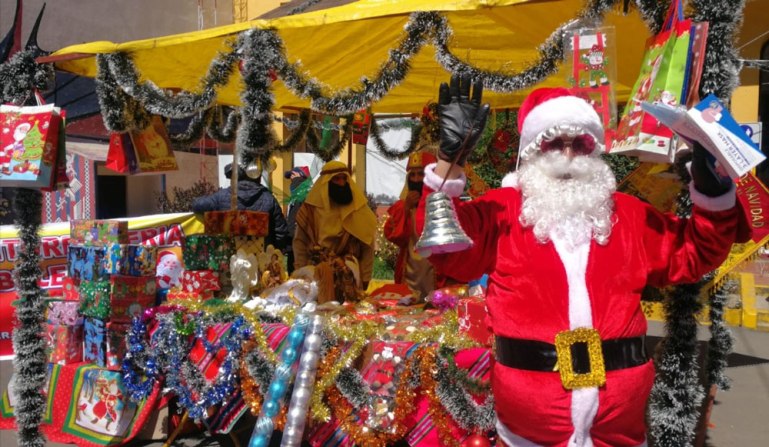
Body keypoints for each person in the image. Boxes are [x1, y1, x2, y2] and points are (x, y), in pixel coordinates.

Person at [417, 75, 749, 447]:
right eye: (555, 142)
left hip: (617, 426)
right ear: (532, 151)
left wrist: (711, 192)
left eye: (580, 143)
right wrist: (449, 162)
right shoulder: (504, 210)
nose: (569, 154)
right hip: (531, 426)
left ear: (594, 150)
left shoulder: (627, 214)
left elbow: (696, 252)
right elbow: (444, 247)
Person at [293, 160, 377, 298]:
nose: (341, 183)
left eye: (344, 178)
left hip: (348, 276)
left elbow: (367, 245)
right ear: (326, 182)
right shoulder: (310, 210)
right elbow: (300, 243)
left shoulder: (359, 210)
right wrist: (300, 273)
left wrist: (365, 277)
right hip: (316, 275)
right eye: (336, 179)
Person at [191, 162, 290, 251]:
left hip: (228, 258)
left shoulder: (221, 197)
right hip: (261, 261)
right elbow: (281, 233)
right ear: (258, 176)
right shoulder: (269, 198)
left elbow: (197, 206)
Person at [383, 151, 440, 300]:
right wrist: (405, 209)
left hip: (436, 269)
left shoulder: (441, 203)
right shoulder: (402, 206)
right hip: (409, 269)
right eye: (412, 175)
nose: (416, 179)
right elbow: (394, 236)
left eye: (420, 174)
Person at [283, 166, 312, 274]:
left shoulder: (305, 195)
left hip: (302, 244)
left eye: (294, 176)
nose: (291, 179)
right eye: (290, 178)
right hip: (292, 243)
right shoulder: (294, 198)